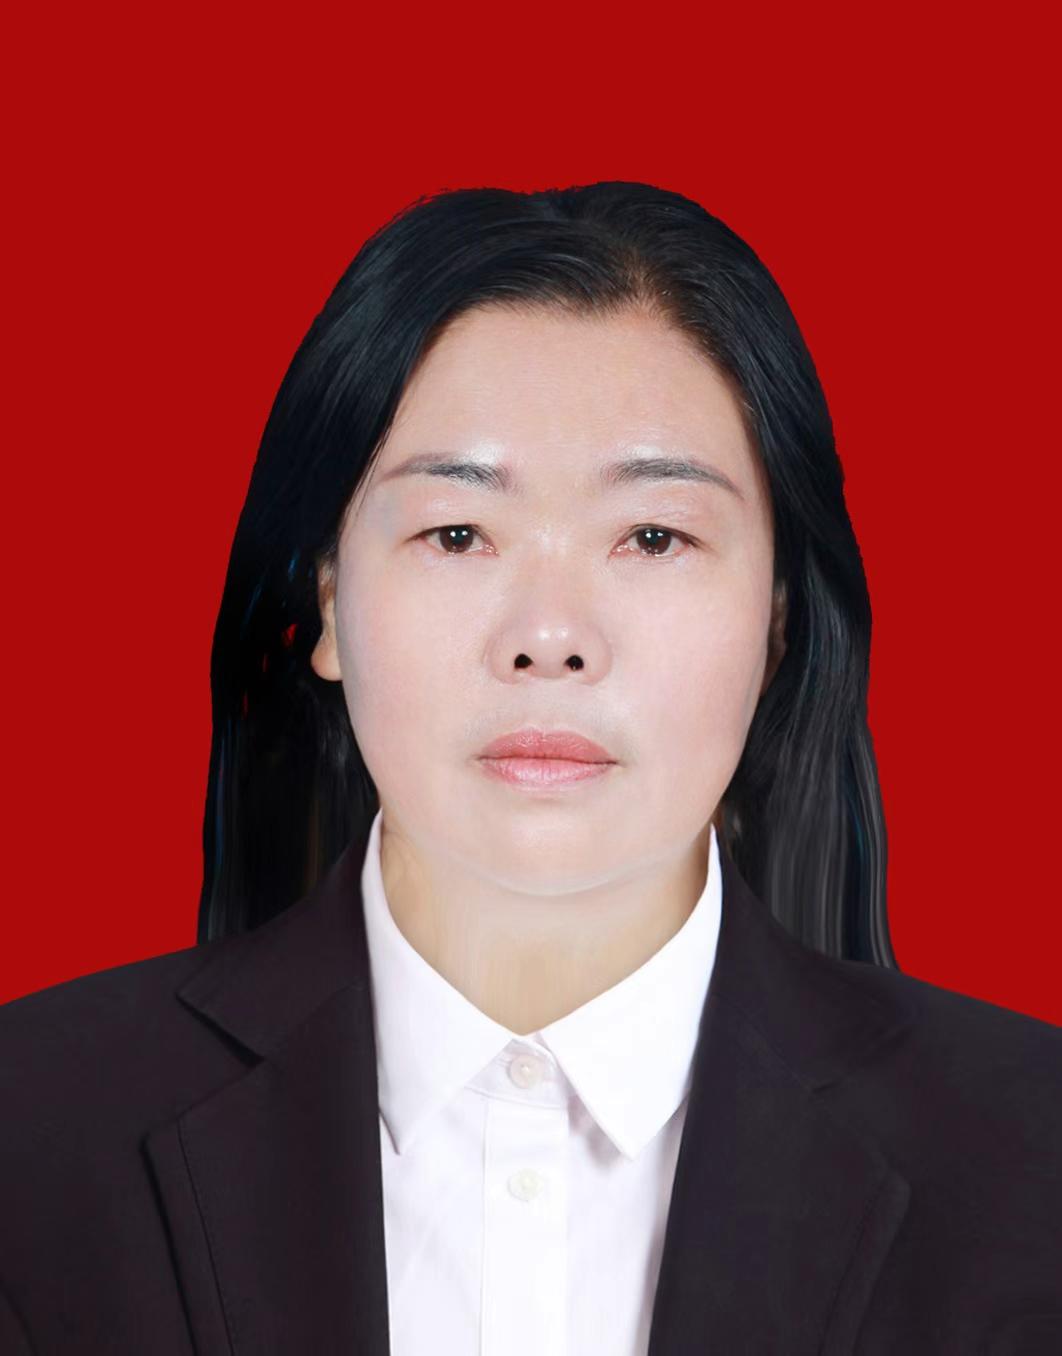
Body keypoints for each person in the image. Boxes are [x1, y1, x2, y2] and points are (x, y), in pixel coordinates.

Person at [1, 182, 1059, 1355]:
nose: (549, 635)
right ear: (329, 601)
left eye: (653, 536)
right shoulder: (32, 1138)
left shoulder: (1033, 1163)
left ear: (776, 620)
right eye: (457, 534)